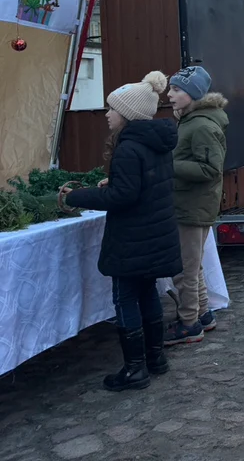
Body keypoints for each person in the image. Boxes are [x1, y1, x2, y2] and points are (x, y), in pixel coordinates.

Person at [63, 71, 181, 391]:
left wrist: (76, 196)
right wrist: (113, 182)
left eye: (111, 109)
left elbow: (123, 196)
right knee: (148, 292)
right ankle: (156, 359)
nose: (107, 114)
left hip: (132, 239)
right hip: (154, 234)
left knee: (126, 298)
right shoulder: (156, 143)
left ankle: (134, 370)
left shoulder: (128, 148)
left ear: (127, 114)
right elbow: (142, 186)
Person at [164, 66, 228, 345]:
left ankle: (188, 324)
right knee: (193, 266)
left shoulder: (202, 125)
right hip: (189, 203)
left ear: (192, 94)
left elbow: (210, 169)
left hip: (192, 206)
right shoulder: (191, 119)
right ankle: (203, 314)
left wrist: (168, 164)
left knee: (184, 270)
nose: (170, 94)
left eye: (176, 90)